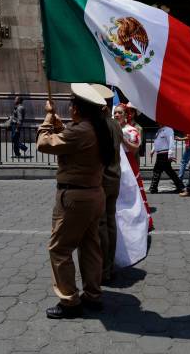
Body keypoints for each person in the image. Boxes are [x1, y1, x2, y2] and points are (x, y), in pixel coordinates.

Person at [36, 83, 115, 319]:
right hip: (93, 194)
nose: (70, 109)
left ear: (78, 110)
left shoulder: (82, 131)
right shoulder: (100, 128)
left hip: (75, 198)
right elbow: (71, 141)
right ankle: (93, 294)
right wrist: (60, 125)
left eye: (72, 105)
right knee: (90, 246)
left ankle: (69, 301)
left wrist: (48, 119)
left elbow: (44, 144)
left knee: (59, 249)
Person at [90, 84, 123, 284]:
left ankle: (103, 270)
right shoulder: (115, 124)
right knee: (110, 223)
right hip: (115, 179)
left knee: (101, 225)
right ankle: (109, 266)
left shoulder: (99, 125)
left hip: (102, 180)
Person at [114, 104, 154, 231]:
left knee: (133, 193)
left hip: (129, 164)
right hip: (114, 165)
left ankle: (138, 221)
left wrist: (122, 139)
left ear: (126, 115)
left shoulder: (132, 130)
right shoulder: (111, 129)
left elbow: (135, 149)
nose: (116, 115)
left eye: (120, 113)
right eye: (115, 113)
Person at [149, 123, 185, 194]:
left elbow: (171, 142)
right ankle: (181, 187)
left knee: (157, 170)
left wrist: (170, 154)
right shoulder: (159, 130)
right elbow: (157, 142)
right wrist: (153, 150)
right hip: (160, 153)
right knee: (168, 171)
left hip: (165, 153)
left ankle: (153, 188)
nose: (158, 122)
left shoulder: (168, 129)